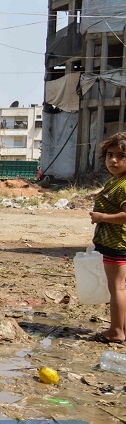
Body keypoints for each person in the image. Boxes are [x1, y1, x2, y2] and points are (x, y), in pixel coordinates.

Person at [89, 132, 126, 344]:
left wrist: (103, 217)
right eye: (110, 154)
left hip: (118, 244)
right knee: (119, 287)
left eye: (121, 156)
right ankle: (122, 327)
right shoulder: (117, 181)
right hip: (114, 242)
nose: (114, 160)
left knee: (117, 288)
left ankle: (116, 332)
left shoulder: (123, 185)